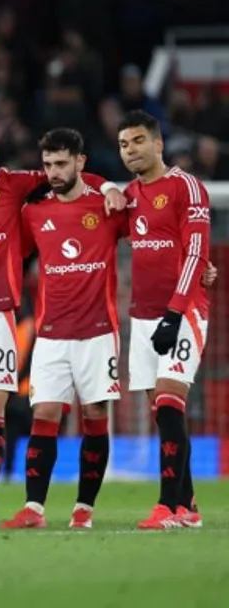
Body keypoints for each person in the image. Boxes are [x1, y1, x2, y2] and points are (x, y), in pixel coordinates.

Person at [0, 120, 122, 529]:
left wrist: (108, 186)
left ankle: (5, 507)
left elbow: (69, 177)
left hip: (0, 317)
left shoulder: (15, 188)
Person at [2, 129, 126, 530]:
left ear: (80, 162)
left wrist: (106, 185)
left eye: (61, 164)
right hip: (51, 333)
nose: (53, 172)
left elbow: (150, 230)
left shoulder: (107, 206)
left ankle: (83, 510)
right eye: (48, 165)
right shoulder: (34, 211)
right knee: (45, 413)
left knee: (94, 414)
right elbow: (13, 253)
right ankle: (34, 509)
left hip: (97, 331)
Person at [117, 110, 210, 530]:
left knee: (171, 403)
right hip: (142, 316)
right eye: (123, 144)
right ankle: (187, 504)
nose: (130, 150)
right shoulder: (129, 195)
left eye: (137, 141)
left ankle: (167, 507)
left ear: (158, 144)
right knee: (162, 412)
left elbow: (195, 254)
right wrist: (106, 194)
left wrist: (174, 313)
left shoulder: (185, 186)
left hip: (183, 311)